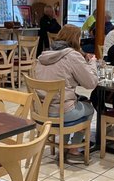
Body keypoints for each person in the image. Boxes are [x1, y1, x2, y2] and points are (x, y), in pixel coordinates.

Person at [35, 24, 98, 164]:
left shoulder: (43, 56)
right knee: (88, 107)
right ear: (76, 39)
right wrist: (92, 63)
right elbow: (91, 83)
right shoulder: (72, 56)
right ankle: (73, 149)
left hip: (41, 112)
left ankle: (63, 145)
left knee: (69, 101)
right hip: (61, 113)